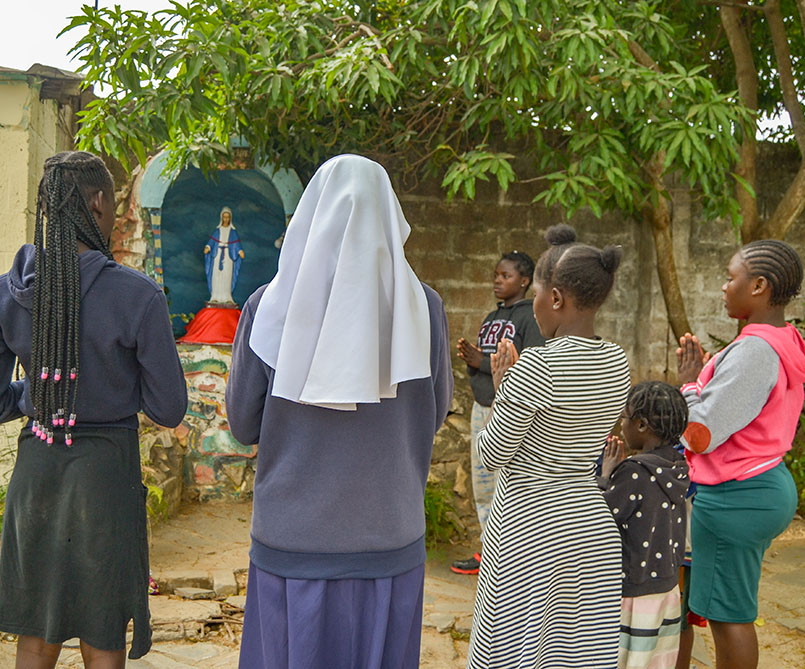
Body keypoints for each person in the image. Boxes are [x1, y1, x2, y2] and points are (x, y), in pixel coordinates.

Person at [225, 154, 453, 669]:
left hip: (292, 544)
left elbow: (241, 424)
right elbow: (435, 414)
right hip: (389, 542)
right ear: (391, 216)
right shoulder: (426, 309)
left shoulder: (267, 309)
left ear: (310, 215)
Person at [0, 151, 188, 668]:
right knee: (103, 628)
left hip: (37, 470)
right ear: (95, 203)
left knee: (37, 630)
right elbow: (169, 405)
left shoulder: (6, 293)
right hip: (105, 475)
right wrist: (109, 387)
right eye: (112, 205)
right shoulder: (137, 295)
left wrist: (44, 394)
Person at [468, 224, 629, 668]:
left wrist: (504, 389)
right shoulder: (617, 360)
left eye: (537, 291)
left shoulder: (537, 365)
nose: (534, 302)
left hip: (529, 522)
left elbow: (492, 454)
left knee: (511, 647)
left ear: (555, 298)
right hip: (588, 523)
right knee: (573, 649)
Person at [676, 239, 805, 669]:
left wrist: (688, 386)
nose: (722, 285)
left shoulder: (755, 351)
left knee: (728, 615)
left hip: (737, 494)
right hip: (760, 481)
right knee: (722, 605)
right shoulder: (780, 339)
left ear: (758, 286)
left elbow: (701, 434)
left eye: (730, 277)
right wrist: (701, 384)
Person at [452, 250, 543, 575]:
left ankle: (506, 557)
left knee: (504, 482)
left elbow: (531, 365)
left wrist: (484, 362)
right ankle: (487, 549)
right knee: (482, 484)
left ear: (525, 281)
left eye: (505, 276)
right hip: (482, 407)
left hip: (508, 412)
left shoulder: (528, 317)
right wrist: (474, 362)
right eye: (496, 274)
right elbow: (481, 363)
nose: (497, 280)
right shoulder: (492, 318)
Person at [600, 381, 690, 669]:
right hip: (666, 591)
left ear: (641, 425)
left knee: (627, 660)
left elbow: (602, 518)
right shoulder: (676, 465)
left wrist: (606, 476)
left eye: (624, 417)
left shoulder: (634, 472)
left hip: (634, 593)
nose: (620, 424)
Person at [203, 206, 244, 304]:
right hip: (217, 256)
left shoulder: (233, 232)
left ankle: (227, 297)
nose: (226, 219)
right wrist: (208, 247)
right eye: (224, 217)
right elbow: (212, 242)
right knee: (216, 276)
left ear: (230, 218)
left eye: (227, 217)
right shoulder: (217, 231)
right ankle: (215, 296)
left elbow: (236, 244)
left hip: (228, 257)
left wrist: (239, 251)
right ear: (221, 218)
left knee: (227, 276)